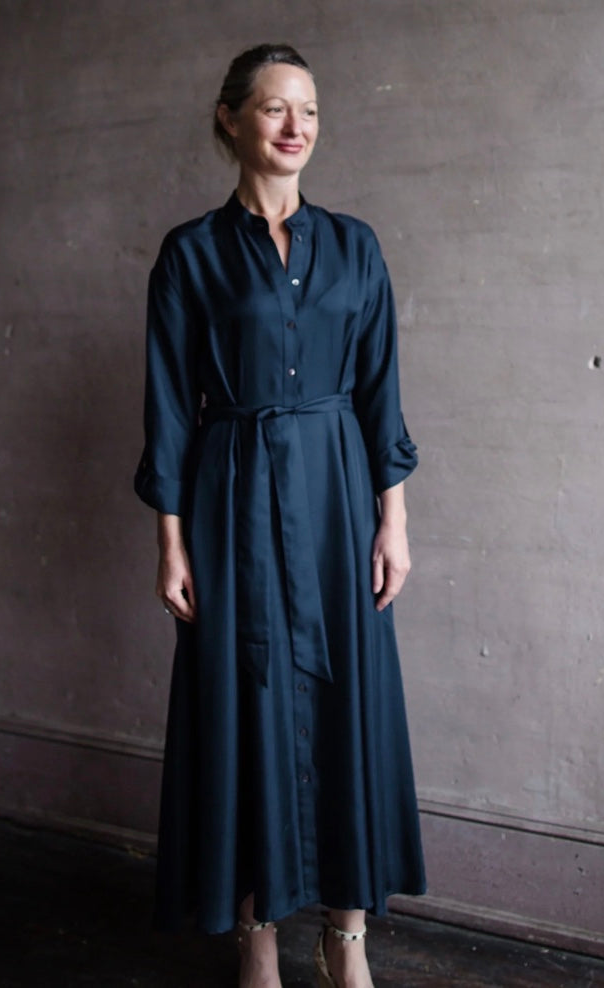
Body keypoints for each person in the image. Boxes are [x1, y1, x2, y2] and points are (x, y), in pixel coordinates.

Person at [134, 42, 425, 988]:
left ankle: (347, 943)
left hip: (340, 498)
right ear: (232, 121)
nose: (296, 127)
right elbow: (171, 409)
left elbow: (382, 394)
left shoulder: (356, 247)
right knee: (240, 706)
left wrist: (395, 523)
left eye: (308, 110)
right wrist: (172, 543)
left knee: (347, 705)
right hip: (231, 501)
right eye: (274, 109)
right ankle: (255, 941)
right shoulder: (191, 254)